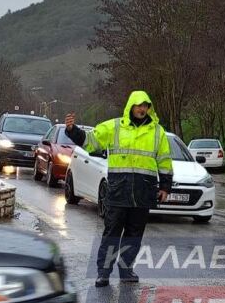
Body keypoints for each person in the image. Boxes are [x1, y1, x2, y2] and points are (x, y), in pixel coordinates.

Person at [65, 91, 173, 287]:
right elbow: (91, 141)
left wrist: (165, 186)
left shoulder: (157, 132)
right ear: (131, 105)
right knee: (112, 233)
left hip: (143, 191)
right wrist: (73, 131)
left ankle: (126, 270)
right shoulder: (114, 126)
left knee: (134, 234)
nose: (142, 109)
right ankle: (103, 273)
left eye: (145, 106)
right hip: (118, 189)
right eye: (139, 105)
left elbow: (164, 160)